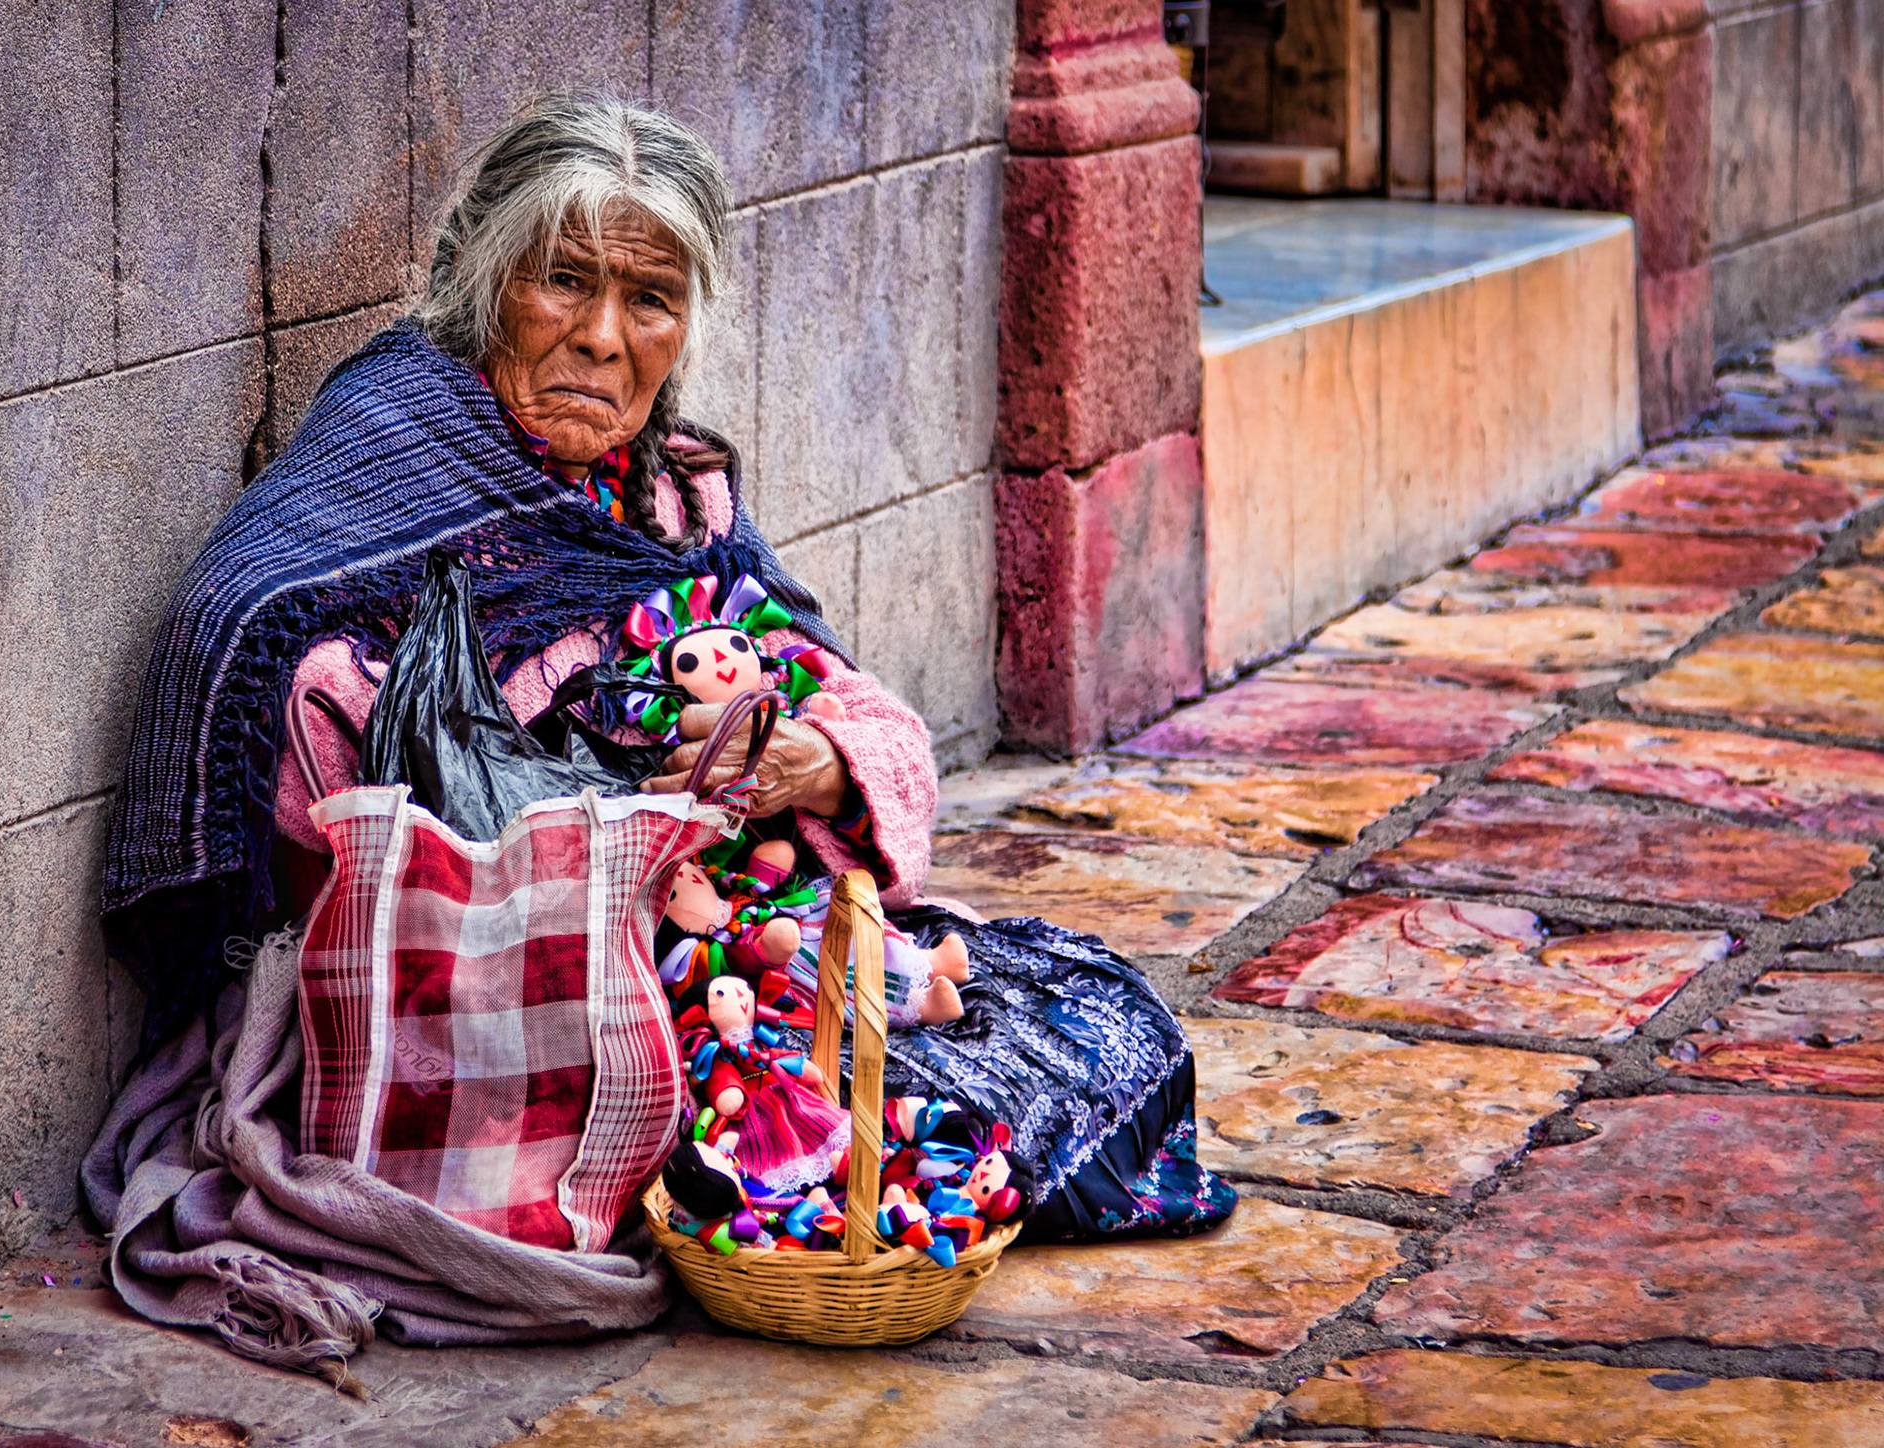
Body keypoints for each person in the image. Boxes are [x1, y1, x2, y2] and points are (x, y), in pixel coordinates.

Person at [91, 99, 1230, 1363]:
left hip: (727, 939)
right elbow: (252, 643)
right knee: (803, 1128)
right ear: (486, 281)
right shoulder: (398, 448)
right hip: (513, 998)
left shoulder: (674, 486)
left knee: (1096, 1027)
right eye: (563, 282)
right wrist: (605, 791)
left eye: (650, 298)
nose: (600, 336)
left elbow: (837, 686)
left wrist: (822, 760)